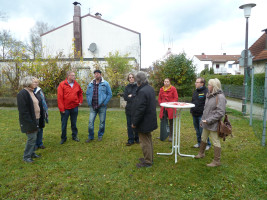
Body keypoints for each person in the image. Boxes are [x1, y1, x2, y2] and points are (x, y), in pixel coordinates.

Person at [195, 78, 226, 167]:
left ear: (214, 86)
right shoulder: (209, 95)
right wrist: (203, 120)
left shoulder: (220, 97)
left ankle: (217, 161)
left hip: (213, 124)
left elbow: (220, 113)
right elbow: (206, 110)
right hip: (206, 123)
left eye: (209, 85)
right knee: (203, 137)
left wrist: (208, 120)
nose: (207, 86)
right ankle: (201, 153)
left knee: (215, 141)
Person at [131, 71, 158, 168]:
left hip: (144, 121)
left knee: (144, 141)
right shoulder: (149, 88)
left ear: (138, 80)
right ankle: (149, 158)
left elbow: (140, 109)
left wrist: (134, 122)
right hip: (149, 119)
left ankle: (148, 162)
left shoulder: (142, 91)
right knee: (148, 139)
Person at [17, 76, 41, 163]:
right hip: (29, 120)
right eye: (34, 82)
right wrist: (30, 121)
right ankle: (26, 157)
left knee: (34, 138)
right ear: (28, 83)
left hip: (36, 118)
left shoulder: (32, 92)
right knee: (31, 138)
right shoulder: (22, 94)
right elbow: (23, 111)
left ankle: (32, 153)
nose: (36, 84)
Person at [86, 69, 112, 142]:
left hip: (102, 107)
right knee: (90, 123)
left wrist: (104, 103)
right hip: (93, 107)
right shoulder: (90, 84)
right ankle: (91, 136)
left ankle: (100, 135)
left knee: (102, 123)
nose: (96, 75)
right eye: (95, 73)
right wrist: (89, 102)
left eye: (97, 73)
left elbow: (109, 94)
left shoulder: (105, 83)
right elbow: (87, 93)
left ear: (100, 74)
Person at [57, 71, 83, 144]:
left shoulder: (76, 84)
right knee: (64, 124)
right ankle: (63, 138)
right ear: (68, 76)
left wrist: (80, 101)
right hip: (65, 108)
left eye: (74, 75)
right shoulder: (62, 84)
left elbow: (80, 93)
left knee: (74, 123)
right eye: (72, 75)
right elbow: (59, 97)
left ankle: (74, 136)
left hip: (74, 107)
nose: (74, 77)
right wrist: (61, 109)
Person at [190, 77, 211, 150]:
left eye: (197, 82)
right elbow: (193, 101)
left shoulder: (206, 91)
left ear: (202, 83)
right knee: (197, 130)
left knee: (203, 130)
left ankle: (207, 144)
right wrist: (191, 110)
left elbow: (208, 104)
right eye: (195, 82)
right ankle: (199, 143)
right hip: (194, 114)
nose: (195, 83)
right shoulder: (195, 91)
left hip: (202, 115)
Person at [123, 73, 139, 146]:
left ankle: (137, 138)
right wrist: (131, 96)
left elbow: (137, 96)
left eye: (132, 77)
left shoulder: (138, 87)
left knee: (136, 124)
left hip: (136, 108)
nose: (131, 78)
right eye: (130, 77)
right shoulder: (127, 87)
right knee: (129, 125)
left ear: (134, 78)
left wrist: (131, 96)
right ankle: (131, 139)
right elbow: (125, 97)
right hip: (129, 109)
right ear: (128, 79)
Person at [33, 78, 48, 150]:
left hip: (41, 112)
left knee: (41, 128)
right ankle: (35, 144)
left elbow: (44, 100)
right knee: (35, 129)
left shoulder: (40, 90)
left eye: (37, 82)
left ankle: (40, 143)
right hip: (34, 113)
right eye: (34, 82)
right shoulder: (29, 91)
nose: (35, 84)